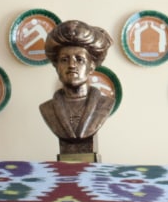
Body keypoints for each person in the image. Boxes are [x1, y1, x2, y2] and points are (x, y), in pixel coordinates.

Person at [38, 20, 115, 158]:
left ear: (91, 66)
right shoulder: (47, 108)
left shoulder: (104, 104)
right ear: (56, 66)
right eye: (64, 59)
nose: (72, 65)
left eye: (79, 59)